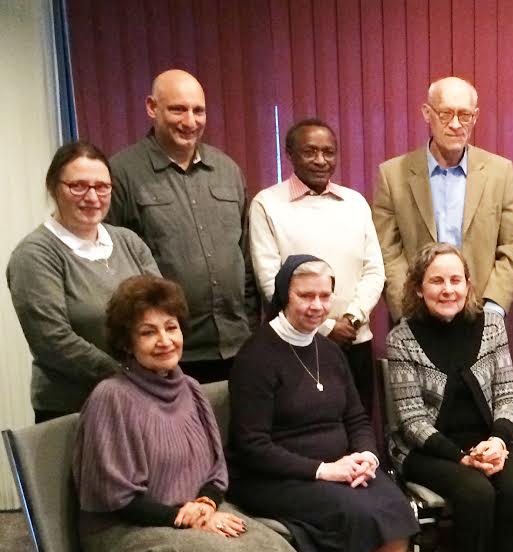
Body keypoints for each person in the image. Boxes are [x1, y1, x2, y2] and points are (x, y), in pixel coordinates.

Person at [74, 274, 366, 552]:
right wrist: (181, 517)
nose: (164, 340)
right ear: (127, 343)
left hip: (193, 513)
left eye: (170, 327)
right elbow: (113, 495)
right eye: (148, 332)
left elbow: (216, 470)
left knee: (266, 544)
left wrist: (207, 505)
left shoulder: (189, 388)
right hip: (124, 526)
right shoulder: (111, 398)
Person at [229, 255, 418, 552]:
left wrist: (366, 456)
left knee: (397, 509)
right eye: (305, 295)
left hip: (338, 467)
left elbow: (356, 416)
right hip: (273, 476)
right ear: (283, 295)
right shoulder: (256, 356)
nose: (316, 305)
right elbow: (251, 445)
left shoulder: (329, 350)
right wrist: (323, 470)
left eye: (324, 296)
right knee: (357, 517)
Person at [386, 243, 513, 552]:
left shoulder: (490, 325)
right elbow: (411, 420)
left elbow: (507, 393)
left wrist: (500, 441)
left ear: (468, 285)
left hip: (489, 441)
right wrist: (462, 457)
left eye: (456, 280)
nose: (447, 289)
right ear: (418, 288)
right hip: (430, 449)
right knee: (475, 492)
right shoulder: (402, 337)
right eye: (436, 280)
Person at [107, 69, 258, 383]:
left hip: (235, 346)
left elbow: (244, 259)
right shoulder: (121, 173)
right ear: (152, 107)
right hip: (170, 354)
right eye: (178, 109)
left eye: (198, 110)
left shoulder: (227, 170)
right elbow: (112, 265)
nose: (190, 121)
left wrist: (251, 326)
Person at [8, 141, 161, 422]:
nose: (92, 197)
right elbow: (53, 342)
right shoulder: (34, 255)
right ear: (54, 187)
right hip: (75, 409)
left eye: (102, 187)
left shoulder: (128, 241)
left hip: (141, 398)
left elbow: (162, 309)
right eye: (78, 186)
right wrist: (127, 375)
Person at [249, 118, 385, 413]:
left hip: (355, 340)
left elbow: (375, 270)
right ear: (290, 153)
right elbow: (271, 283)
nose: (321, 160)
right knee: (311, 433)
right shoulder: (267, 204)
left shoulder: (355, 202)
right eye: (310, 151)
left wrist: (351, 319)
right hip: (296, 344)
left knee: (358, 427)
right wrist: (325, 328)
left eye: (329, 152)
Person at [372, 76, 513, 319]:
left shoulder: (500, 172)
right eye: (445, 114)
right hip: (416, 316)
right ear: (427, 113)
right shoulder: (393, 175)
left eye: (464, 115)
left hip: (480, 313)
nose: (456, 124)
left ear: (475, 117)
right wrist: (407, 310)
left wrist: (494, 307)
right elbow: (387, 251)